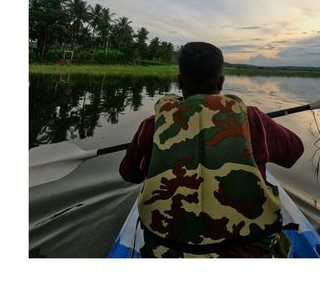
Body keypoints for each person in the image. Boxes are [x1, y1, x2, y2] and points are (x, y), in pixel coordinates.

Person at [120, 41, 304, 258]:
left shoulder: (152, 125)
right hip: (247, 248)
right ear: (222, 81)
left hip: (169, 251)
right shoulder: (253, 118)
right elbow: (294, 151)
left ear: (179, 82)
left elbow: (129, 174)